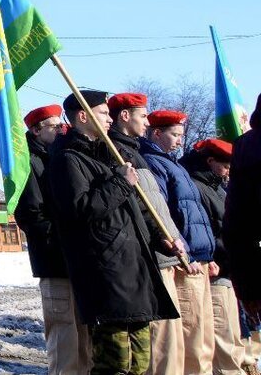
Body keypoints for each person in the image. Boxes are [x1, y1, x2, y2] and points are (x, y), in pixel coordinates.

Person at [50, 90, 178, 375]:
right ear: (83, 116)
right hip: (106, 275)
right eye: (103, 113)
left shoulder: (111, 157)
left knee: (141, 362)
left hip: (134, 272)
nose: (109, 119)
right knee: (115, 362)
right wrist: (121, 183)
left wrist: (161, 240)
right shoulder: (68, 160)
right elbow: (80, 211)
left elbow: (132, 213)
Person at [106, 93, 189, 375]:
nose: (146, 121)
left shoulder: (135, 152)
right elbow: (138, 207)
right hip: (148, 255)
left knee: (173, 341)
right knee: (160, 342)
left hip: (164, 248)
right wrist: (160, 240)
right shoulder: (114, 150)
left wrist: (173, 240)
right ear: (125, 116)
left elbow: (155, 206)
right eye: (143, 116)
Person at [15, 103, 90, 375]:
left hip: (76, 262)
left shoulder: (60, 156)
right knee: (65, 343)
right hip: (55, 262)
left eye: (62, 125)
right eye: (55, 126)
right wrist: (63, 242)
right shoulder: (27, 163)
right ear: (36, 130)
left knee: (86, 343)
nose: (62, 130)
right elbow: (32, 215)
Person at [140, 109, 217, 374]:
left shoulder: (173, 163)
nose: (179, 141)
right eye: (174, 134)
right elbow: (165, 213)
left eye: (181, 135)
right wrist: (186, 252)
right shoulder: (153, 162)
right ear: (157, 133)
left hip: (197, 258)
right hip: (184, 261)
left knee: (203, 334)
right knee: (190, 336)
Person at [181, 137, 249, 374]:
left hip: (227, 271)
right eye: (225, 166)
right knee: (223, 340)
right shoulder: (199, 187)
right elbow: (211, 229)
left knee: (233, 336)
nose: (228, 171)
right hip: (216, 270)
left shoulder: (216, 187)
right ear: (210, 161)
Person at [226, 96, 261, 373]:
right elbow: (239, 222)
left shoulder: (246, 146)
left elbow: (236, 223)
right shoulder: (249, 148)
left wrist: (246, 286)